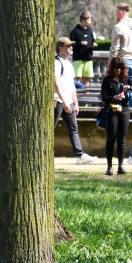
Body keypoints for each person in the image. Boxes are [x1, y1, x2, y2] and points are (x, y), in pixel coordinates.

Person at [55, 37, 96, 166]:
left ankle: (80, 155)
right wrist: (64, 101)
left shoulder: (69, 64)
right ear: (60, 48)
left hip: (68, 101)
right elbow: (55, 83)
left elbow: (72, 85)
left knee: (74, 128)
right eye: (68, 46)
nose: (71, 48)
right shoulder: (57, 63)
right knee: (50, 127)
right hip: (57, 100)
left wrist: (75, 102)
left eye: (71, 46)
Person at [101, 56, 132, 175]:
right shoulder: (107, 80)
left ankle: (120, 166)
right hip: (112, 110)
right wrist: (114, 97)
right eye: (116, 68)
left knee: (122, 139)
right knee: (111, 137)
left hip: (124, 110)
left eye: (120, 68)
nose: (118, 70)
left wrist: (129, 87)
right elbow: (103, 96)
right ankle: (109, 166)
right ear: (112, 68)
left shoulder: (125, 79)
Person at [109, 3, 132, 106]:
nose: (116, 15)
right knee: (131, 88)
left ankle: (124, 114)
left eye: (116, 12)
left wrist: (111, 64)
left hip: (122, 61)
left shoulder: (119, 27)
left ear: (121, 13)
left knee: (119, 88)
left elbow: (114, 48)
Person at [70, 10, 96, 86]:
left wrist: (93, 44)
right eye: (89, 20)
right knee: (77, 78)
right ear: (84, 20)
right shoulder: (75, 31)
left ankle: (86, 95)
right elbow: (71, 43)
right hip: (78, 59)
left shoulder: (90, 31)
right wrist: (80, 43)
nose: (90, 22)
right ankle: (77, 95)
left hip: (88, 59)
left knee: (86, 78)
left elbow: (92, 42)